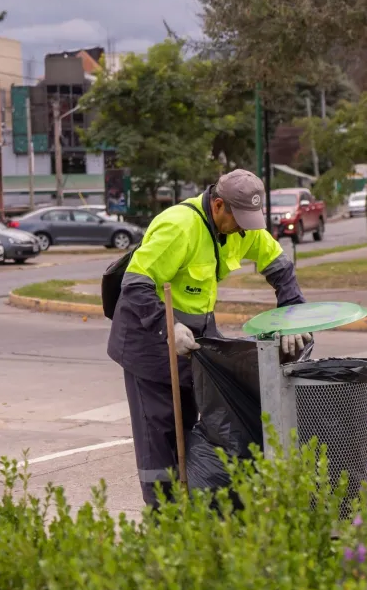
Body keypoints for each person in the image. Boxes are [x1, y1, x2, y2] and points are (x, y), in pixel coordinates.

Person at [107, 169, 310, 507]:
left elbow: (280, 269)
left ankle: (197, 502)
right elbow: (135, 284)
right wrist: (167, 326)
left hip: (197, 334)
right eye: (239, 220)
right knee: (160, 431)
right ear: (218, 205)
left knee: (200, 423)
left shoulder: (245, 228)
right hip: (149, 337)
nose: (245, 229)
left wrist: (293, 316)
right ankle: (165, 516)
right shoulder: (179, 227)